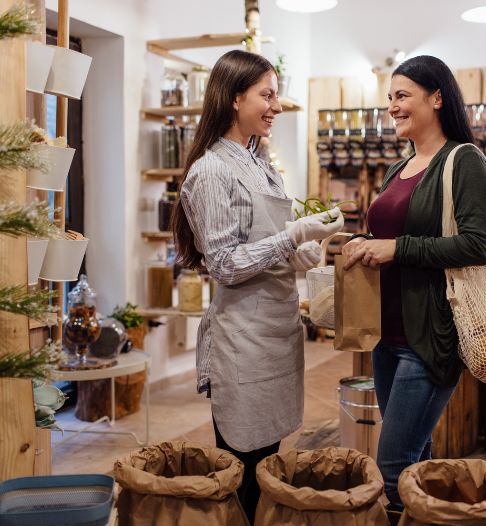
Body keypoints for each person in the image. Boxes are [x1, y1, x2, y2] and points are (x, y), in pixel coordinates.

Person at [172, 49, 344, 522]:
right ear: (233, 98)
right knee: (242, 471)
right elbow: (225, 265)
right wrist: (293, 235)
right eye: (267, 95)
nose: (278, 105)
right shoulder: (211, 172)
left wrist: (309, 247)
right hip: (243, 343)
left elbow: (264, 245)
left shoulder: (260, 161)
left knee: (268, 460)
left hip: (275, 333)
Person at [342, 55, 486, 511]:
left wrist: (397, 248)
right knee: (414, 463)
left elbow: (476, 245)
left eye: (403, 95)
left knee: (392, 466)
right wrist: (363, 244)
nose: (392, 106)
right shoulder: (399, 168)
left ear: (437, 98)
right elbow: (391, 238)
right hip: (386, 338)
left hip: (429, 339)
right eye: (390, 97)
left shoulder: (464, 162)